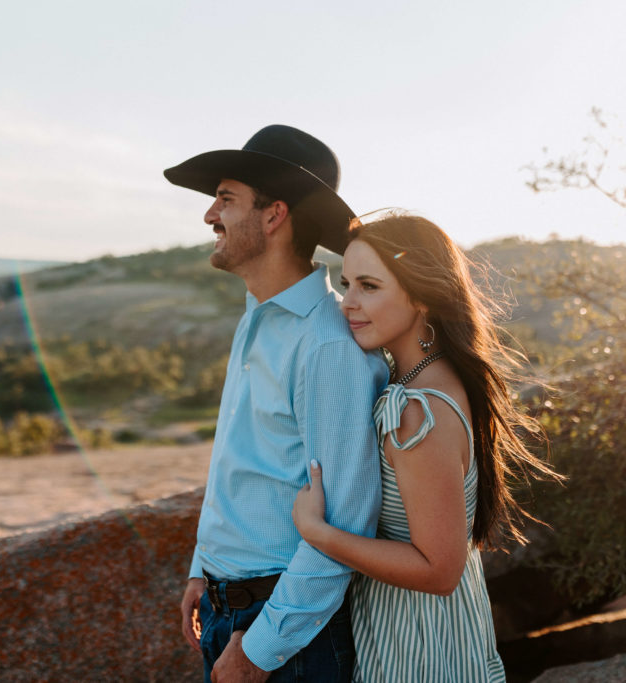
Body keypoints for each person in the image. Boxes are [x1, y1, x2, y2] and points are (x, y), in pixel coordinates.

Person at [291, 212, 562, 682]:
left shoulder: (417, 411)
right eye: (346, 283)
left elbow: (439, 570)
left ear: (421, 295)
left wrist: (319, 533)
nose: (347, 303)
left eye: (369, 286)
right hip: (442, 639)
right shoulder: (433, 382)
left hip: (417, 652)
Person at [164, 125, 389, 682]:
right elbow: (240, 461)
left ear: (273, 216)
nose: (209, 215)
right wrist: (205, 569)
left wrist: (259, 651)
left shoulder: (327, 347)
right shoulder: (257, 318)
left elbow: (344, 522)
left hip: (284, 632)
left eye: (226, 199)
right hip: (229, 607)